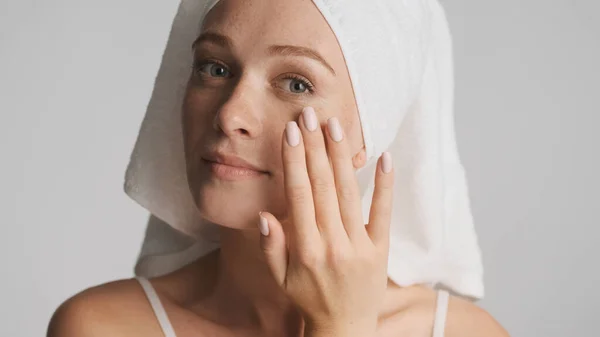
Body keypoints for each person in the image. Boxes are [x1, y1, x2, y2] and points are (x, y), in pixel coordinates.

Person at [48, 0, 509, 336]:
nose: (230, 116)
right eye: (214, 68)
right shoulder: (100, 327)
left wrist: (342, 326)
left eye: (295, 82)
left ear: (374, 128)